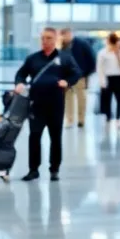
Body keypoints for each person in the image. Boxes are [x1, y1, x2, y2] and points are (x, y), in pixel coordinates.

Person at [13, 27, 81, 182]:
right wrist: (19, 83)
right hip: (36, 104)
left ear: (56, 39)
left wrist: (67, 81)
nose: (45, 41)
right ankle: (33, 169)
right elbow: (21, 73)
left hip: (56, 104)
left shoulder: (65, 58)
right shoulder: (33, 58)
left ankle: (54, 169)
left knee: (55, 137)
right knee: (34, 136)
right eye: (43, 38)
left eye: (49, 38)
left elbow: (76, 72)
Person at [59, 28, 96, 129]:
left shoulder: (82, 44)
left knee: (81, 98)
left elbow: (91, 59)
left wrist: (86, 73)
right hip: (67, 77)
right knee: (68, 99)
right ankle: (70, 120)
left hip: (80, 76)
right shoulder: (62, 46)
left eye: (65, 35)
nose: (64, 37)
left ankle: (81, 120)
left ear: (70, 34)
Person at [97, 33, 120, 132]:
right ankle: (108, 117)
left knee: (119, 100)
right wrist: (102, 81)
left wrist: (118, 54)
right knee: (107, 100)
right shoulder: (102, 53)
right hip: (108, 78)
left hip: (118, 78)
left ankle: (118, 119)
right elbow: (100, 68)